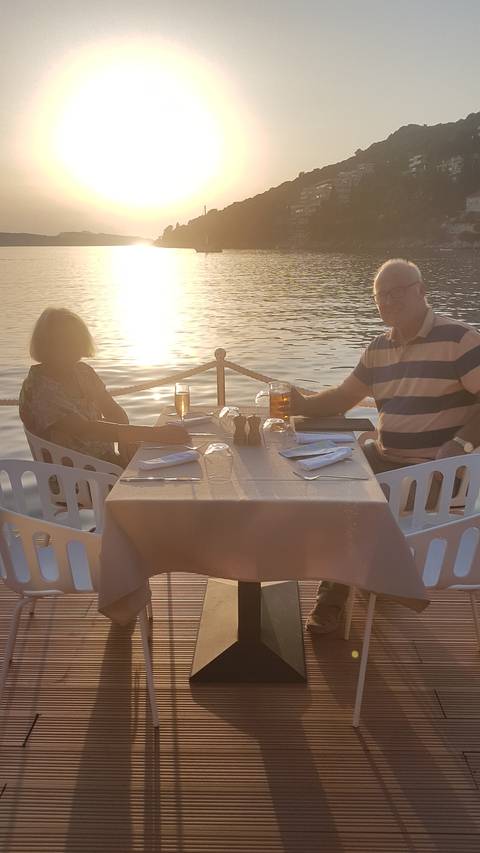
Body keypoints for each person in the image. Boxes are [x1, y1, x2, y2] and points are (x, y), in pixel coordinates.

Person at [291, 258, 480, 633]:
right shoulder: (378, 348)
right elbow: (343, 397)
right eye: (382, 295)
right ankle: (366, 571)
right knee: (322, 475)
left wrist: (462, 441)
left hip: (435, 474)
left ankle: (335, 598)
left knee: (348, 501)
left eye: (399, 292)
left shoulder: (460, 340)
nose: (390, 301)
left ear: (422, 291)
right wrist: (298, 404)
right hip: (385, 460)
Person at [19, 308, 189, 465]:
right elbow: (86, 430)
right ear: (47, 345)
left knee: (178, 460)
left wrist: (126, 443)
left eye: (76, 343)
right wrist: (156, 434)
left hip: (107, 464)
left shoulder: (82, 372)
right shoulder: (39, 389)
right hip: (74, 479)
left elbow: (114, 412)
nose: (74, 350)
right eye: (65, 343)